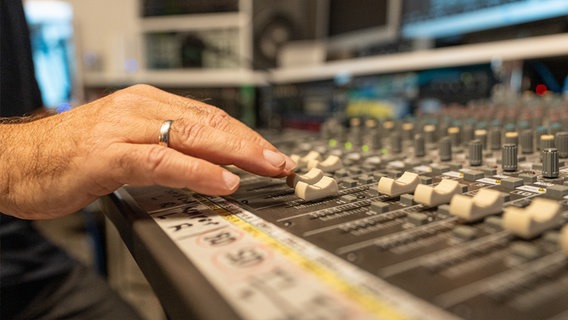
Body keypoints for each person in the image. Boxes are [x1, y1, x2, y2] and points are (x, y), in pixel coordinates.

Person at [0, 0, 295, 318]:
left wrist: (91, 128)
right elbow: (23, 142)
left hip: (29, 264)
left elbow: (28, 114)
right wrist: (19, 157)